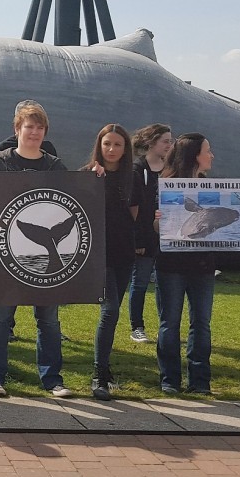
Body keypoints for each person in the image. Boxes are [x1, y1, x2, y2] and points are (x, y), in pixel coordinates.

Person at [0, 100, 72, 398]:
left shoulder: (55, 166)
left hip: (47, 260)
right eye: (28, 126)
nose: (34, 132)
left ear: (46, 132)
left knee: (48, 319)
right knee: (1, 317)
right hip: (7, 257)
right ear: (17, 129)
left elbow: (73, 202)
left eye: (39, 127)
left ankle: (52, 380)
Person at [155, 133, 216, 395]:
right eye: (207, 150)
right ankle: (170, 379)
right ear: (194, 156)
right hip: (172, 264)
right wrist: (157, 218)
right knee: (170, 321)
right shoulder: (166, 184)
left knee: (201, 322)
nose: (211, 155)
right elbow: (155, 227)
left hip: (202, 265)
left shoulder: (212, 187)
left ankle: (200, 381)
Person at [82, 124, 140, 401]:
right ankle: (99, 373)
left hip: (124, 252)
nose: (112, 149)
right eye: (107, 144)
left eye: (117, 145)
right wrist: (95, 181)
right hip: (98, 253)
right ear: (99, 145)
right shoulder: (88, 175)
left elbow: (134, 215)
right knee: (110, 311)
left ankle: (106, 369)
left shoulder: (134, 176)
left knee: (114, 310)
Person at [128, 124, 173, 344]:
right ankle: (137, 327)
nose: (169, 145)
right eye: (165, 140)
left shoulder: (171, 168)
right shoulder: (138, 168)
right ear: (152, 141)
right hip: (145, 237)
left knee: (165, 283)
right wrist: (139, 239)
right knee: (140, 282)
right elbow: (135, 207)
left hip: (168, 239)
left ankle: (166, 328)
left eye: (171, 141)